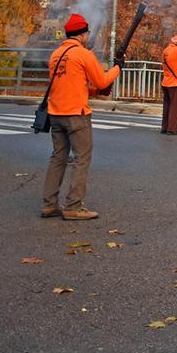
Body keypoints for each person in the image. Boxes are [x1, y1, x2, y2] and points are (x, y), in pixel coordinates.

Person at [41, 13, 122, 221]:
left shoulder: (56, 54)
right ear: (82, 34)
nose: (88, 35)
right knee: (81, 159)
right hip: (77, 114)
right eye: (87, 32)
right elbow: (102, 81)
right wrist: (117, 68)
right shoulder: (83, 54)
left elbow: (74, 84)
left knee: (58, 158)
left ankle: (49, 204)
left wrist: (95, 91)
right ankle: (73, 206)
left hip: (56, 113)